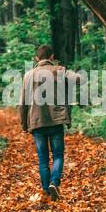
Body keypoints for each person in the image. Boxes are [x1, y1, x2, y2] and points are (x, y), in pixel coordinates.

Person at [19, 45, 86, 201]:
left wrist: (24, 124)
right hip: (56, 122)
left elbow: (23, 103)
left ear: (37, 58)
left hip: (36, 122)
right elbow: (80, 79)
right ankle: (54, 183)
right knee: (57, 155)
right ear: (52, 56)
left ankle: (45, 190)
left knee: (43, 159)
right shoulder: (59, 70)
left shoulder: (28, 75)